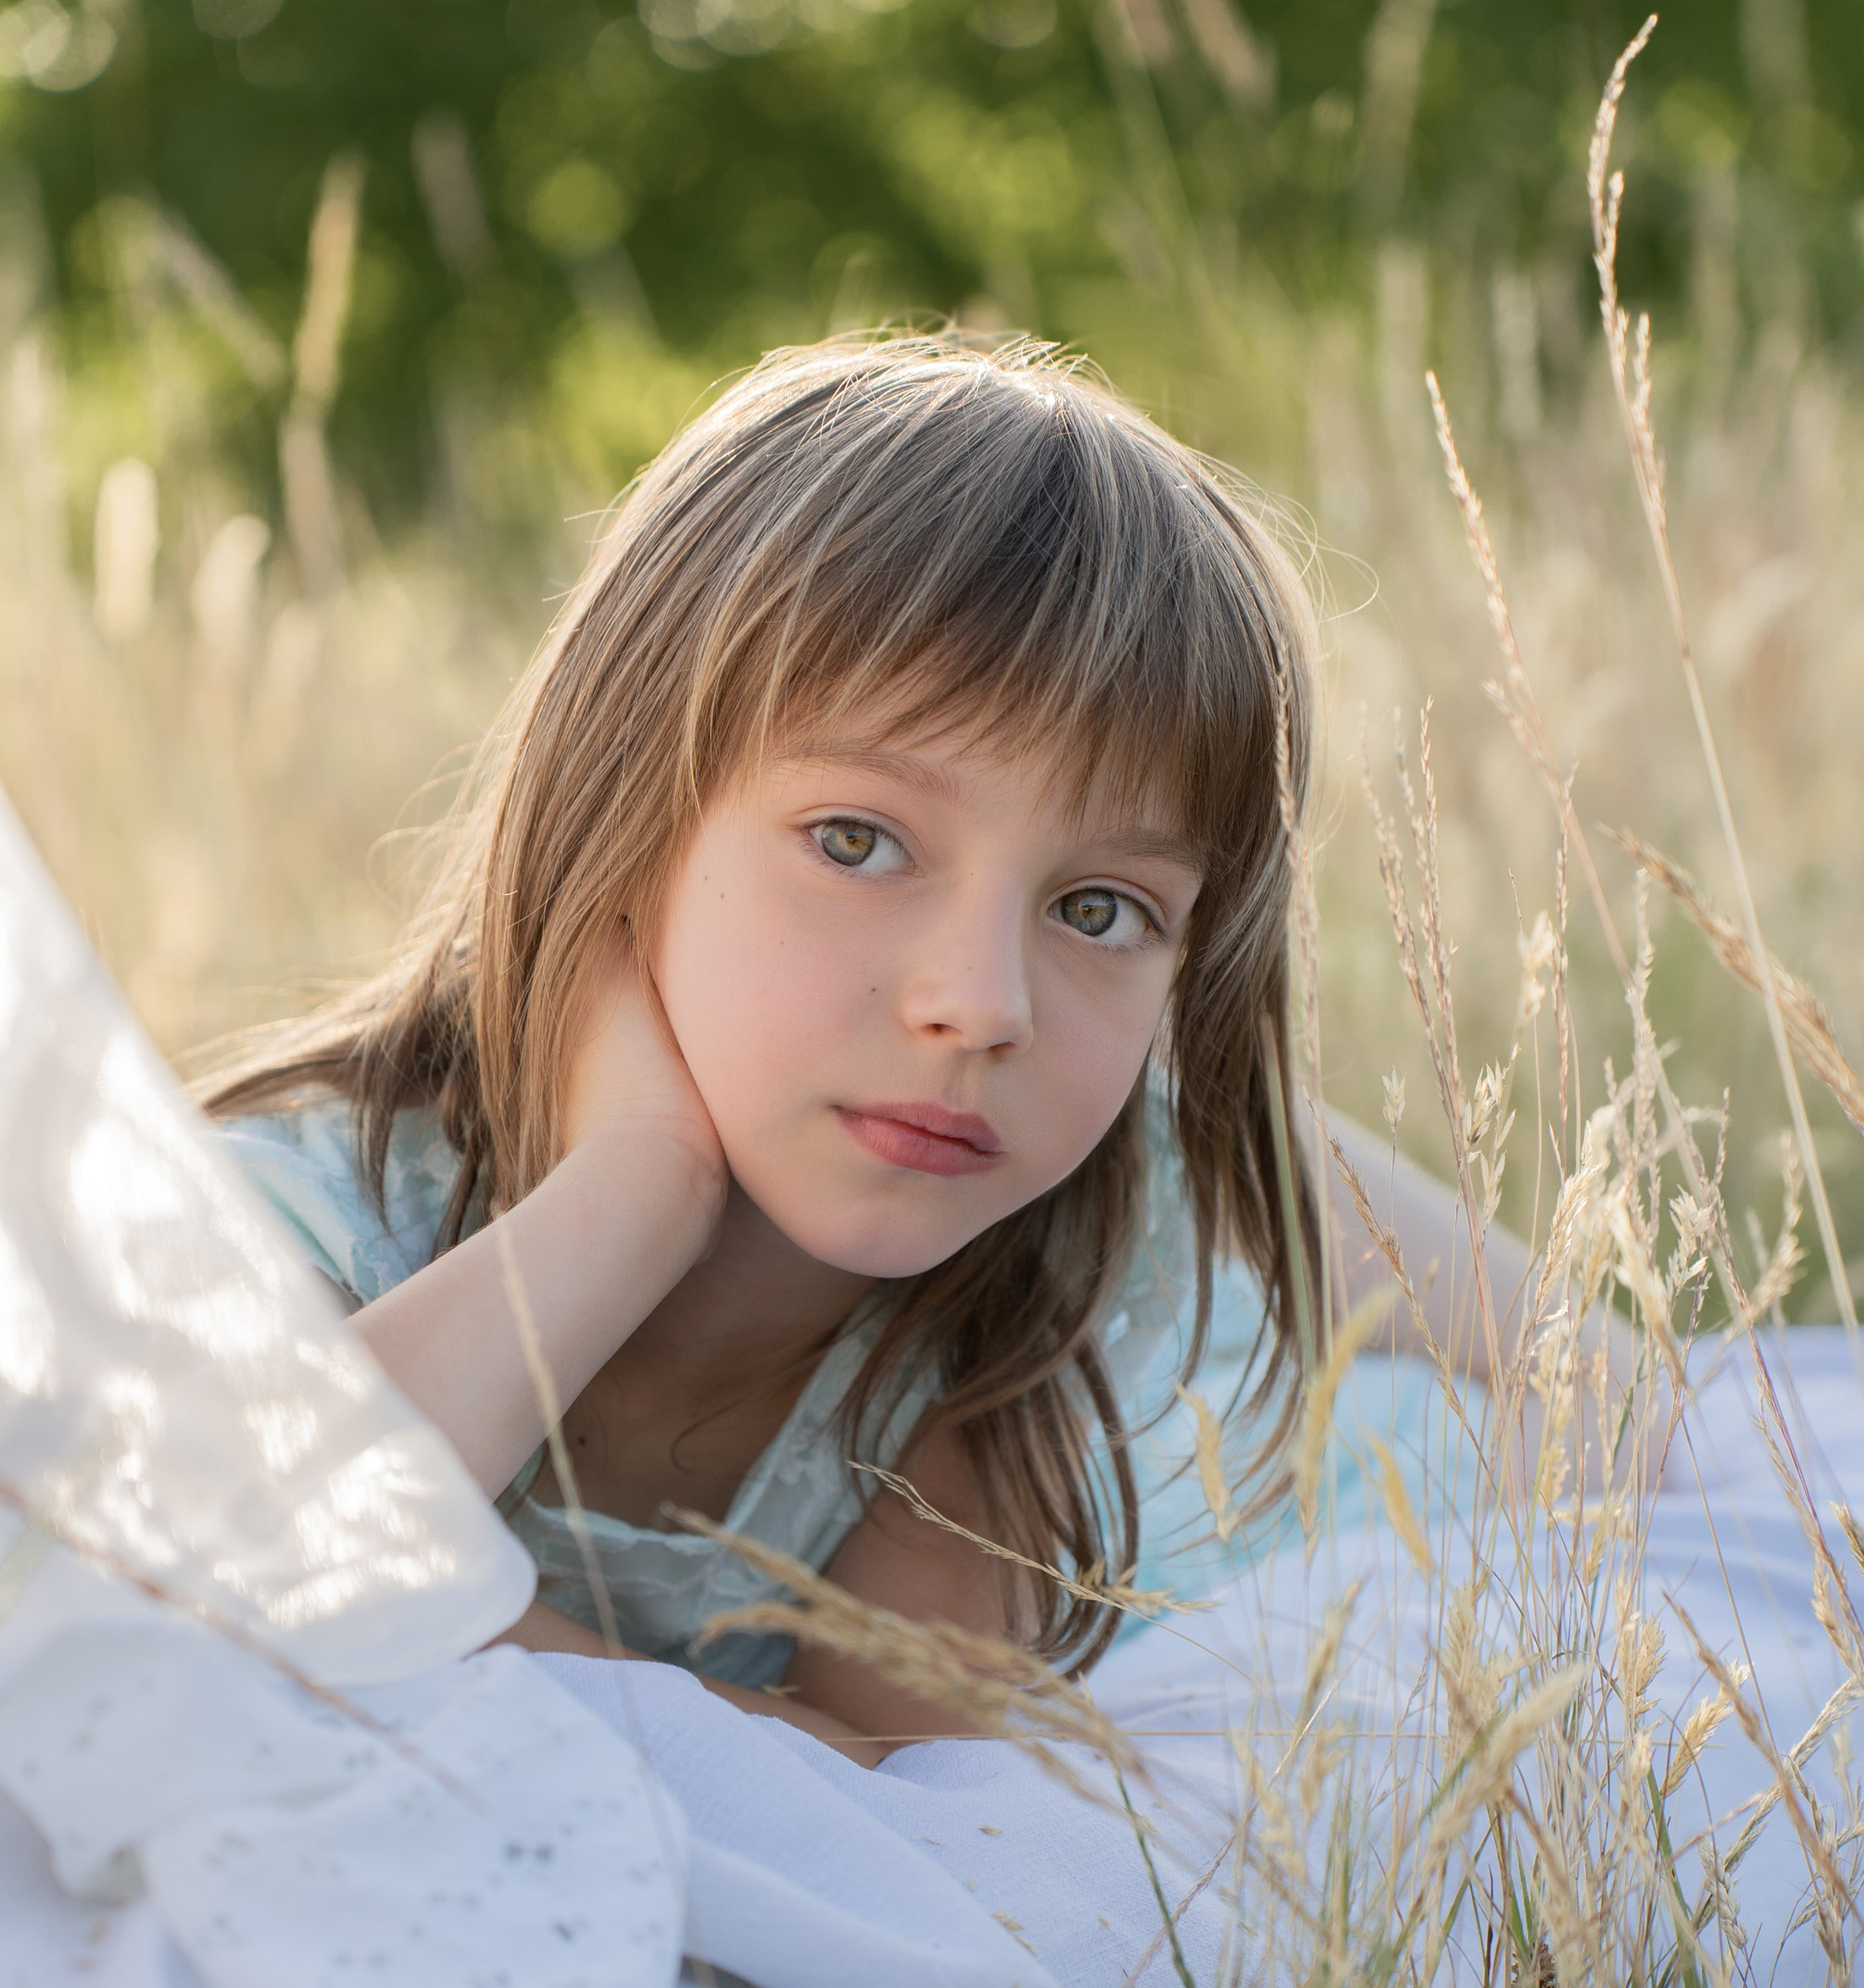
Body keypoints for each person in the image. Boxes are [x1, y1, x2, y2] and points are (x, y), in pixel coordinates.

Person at [211, 333, 1541, 1762]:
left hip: (1283, 1458)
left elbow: (901, 1765)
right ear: (621, 822)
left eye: (1101, 907)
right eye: (858, 841)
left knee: (1532, 1397)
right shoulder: (292, 1223)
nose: (982, 1002)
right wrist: (637, 1189)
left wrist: (472, 1630)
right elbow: (269, 1570)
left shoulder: (1042, 1257)